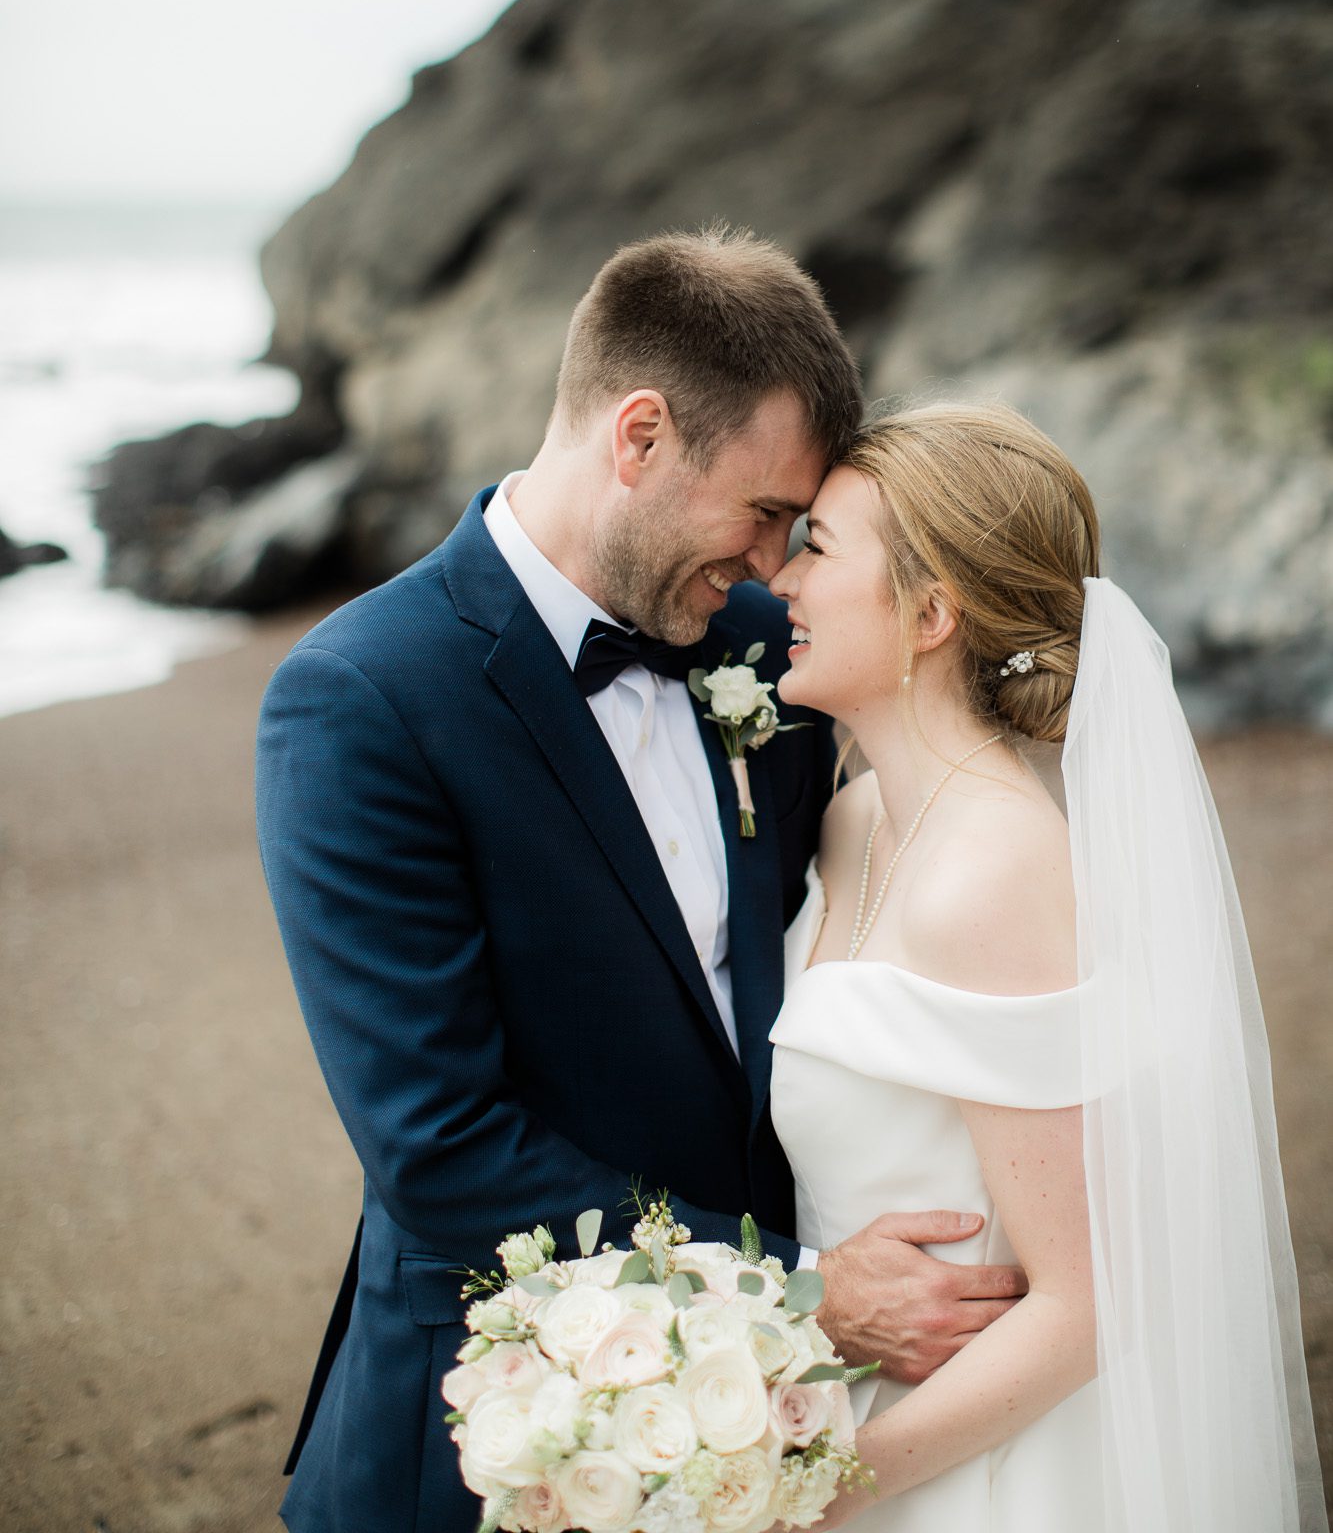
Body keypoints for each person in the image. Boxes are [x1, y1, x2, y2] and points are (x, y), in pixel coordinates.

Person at [256, 231, 1029, 1533]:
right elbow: (441, 1149)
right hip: (502, 1419)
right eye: (766, 515)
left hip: (769, 1425)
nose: (777, 564)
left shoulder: (754, 645)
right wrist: (798, 1289)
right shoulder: (361, 702)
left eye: (800, 534)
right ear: (639, 435)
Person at [768, 401, 1325, 1532]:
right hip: (857, 1400)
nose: (777, 582)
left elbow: (1086, 1302)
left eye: (816, 548)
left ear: (929, 612)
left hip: (978, 1469)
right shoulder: (854, 818)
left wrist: (823, 1492)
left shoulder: (994, 872)